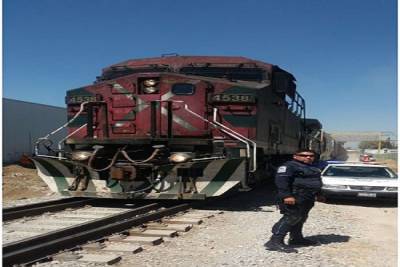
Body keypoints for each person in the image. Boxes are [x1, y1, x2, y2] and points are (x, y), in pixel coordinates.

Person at [264, 149, 324, 253]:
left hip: (308, 197)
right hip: (295, 196)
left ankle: (296, 238)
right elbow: (281, 182)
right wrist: (287, 196)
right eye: (304, 155)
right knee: (291, 217)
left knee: (301, 217)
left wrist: (319, 194)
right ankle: (274, 241)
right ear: (295, 156)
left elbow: (315, 181)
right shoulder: (288, 166)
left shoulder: (313, 168)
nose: (308, 157)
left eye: (311, 156)